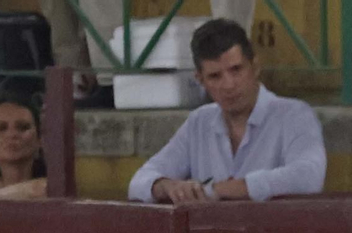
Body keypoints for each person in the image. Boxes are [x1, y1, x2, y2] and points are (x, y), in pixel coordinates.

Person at [128, 18, 326, 204]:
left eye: (236, 70)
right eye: (215, 76)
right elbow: (139, 182)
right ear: (200, 80)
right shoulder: (199, 122)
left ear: (255, 67)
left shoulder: (294, 115)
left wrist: (221, 190)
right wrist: (167, 186)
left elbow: (308, 177)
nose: (229, 85)